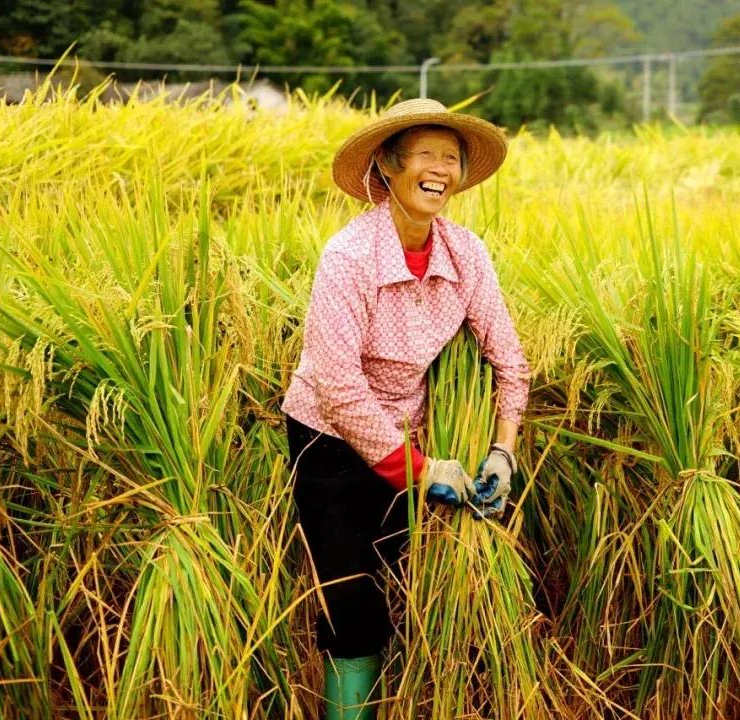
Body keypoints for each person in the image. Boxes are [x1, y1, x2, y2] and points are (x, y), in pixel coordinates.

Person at [281, 98, 530, 719]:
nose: (439, 169)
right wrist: (418, 470)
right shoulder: (349, 257)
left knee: (401, 586)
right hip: (329, 443)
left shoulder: (466, 253)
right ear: (388, 166)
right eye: (425, 154)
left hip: (410, 436)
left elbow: (511, 362)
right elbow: (337, 383)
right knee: (353, 605)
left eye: (451, 157)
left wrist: (503, 449)